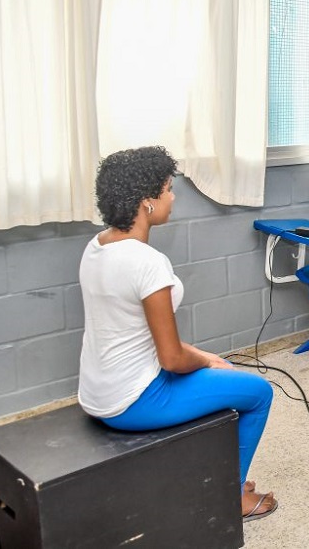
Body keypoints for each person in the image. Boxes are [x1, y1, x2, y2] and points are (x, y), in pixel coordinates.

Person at [77, 146, 278, 522]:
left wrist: (206, 358)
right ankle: (233, 495)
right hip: (133, 401)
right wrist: (205, 359)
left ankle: (221, 474)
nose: (172, 197)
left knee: (220, 368)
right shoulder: (147, 262)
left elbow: (136, 334)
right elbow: (171, 358)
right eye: (168, 189)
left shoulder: (96, 246)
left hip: (96, 394)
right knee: (259, 392)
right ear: (147, 202)